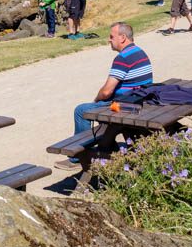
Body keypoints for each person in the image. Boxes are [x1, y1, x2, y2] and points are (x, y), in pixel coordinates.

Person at [55, 23, 152, 171]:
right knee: (96, 113)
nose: (109, 40)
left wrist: (97, 99)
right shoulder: (140, 52)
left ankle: (77, 158)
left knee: (81, 110)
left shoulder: (123, 58)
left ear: (123, 37)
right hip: (140, 101)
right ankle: (106, 144)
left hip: (124, 106)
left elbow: (106, 91)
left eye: (112, 37)